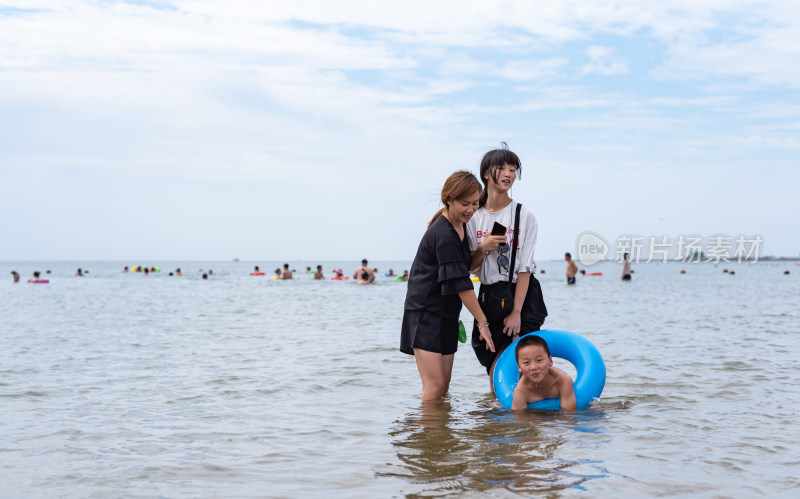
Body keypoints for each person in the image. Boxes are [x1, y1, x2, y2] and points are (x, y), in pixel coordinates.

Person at [401, 171, 495, 400]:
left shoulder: (460, 226)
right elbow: (462, 285)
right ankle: (428, 435)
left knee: (444, 386)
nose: (471, 210)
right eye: (465, 204)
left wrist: (482, 249)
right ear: (448, 200)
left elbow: (464, 269)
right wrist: (483, 322)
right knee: (435, 386)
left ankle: (439, 435)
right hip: (425, 314)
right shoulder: (443, 233)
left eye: (475, 203)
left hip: (446, 314)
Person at [467, 143, 548, 390]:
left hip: (520, 294)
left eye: (513, 169)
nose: (508, 174)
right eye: (501, 168)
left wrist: (516, 312)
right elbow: (470, 268)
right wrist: (483, 247)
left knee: (514, 360)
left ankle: (524, 415)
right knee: (491, 360)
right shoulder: (473, 215)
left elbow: (525, 268)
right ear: (485, 174)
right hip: (489, 296)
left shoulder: (524, 215)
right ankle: (505, 420)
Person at [511, 335, 576, 410]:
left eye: (539, 360)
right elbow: (519, 419)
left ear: (550, 361)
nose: (533, 367)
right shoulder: (521, 391)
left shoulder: (562, 381)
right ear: (519, 367)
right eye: (526, 362)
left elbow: (569, 415)